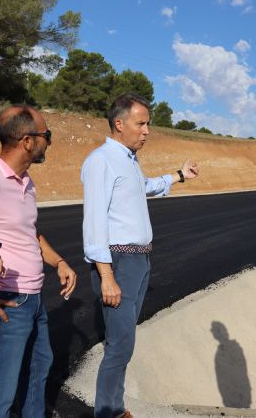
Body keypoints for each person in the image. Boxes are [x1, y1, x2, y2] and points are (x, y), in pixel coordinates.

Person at [0, 104, 78, 418]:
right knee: (0, 392)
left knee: (38, 372)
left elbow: (29, 232)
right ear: (27, 141)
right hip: (6, 302)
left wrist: (59, 262)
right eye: (46, 135)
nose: (49, 141)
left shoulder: (26, 182)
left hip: (33, 298)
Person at [81, 93, 199, 418]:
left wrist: (178, 176)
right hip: (118, 263)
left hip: (139, 261)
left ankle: (115, 408)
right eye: (141, 123)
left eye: (148, 124)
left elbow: (142, 186)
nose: (147, 131)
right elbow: (94, 224)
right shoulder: (101, 160)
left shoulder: (128, 160)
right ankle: (109, 412)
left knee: (124, 342)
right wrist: (107, 277)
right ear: (119, 124)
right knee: (119, 345)